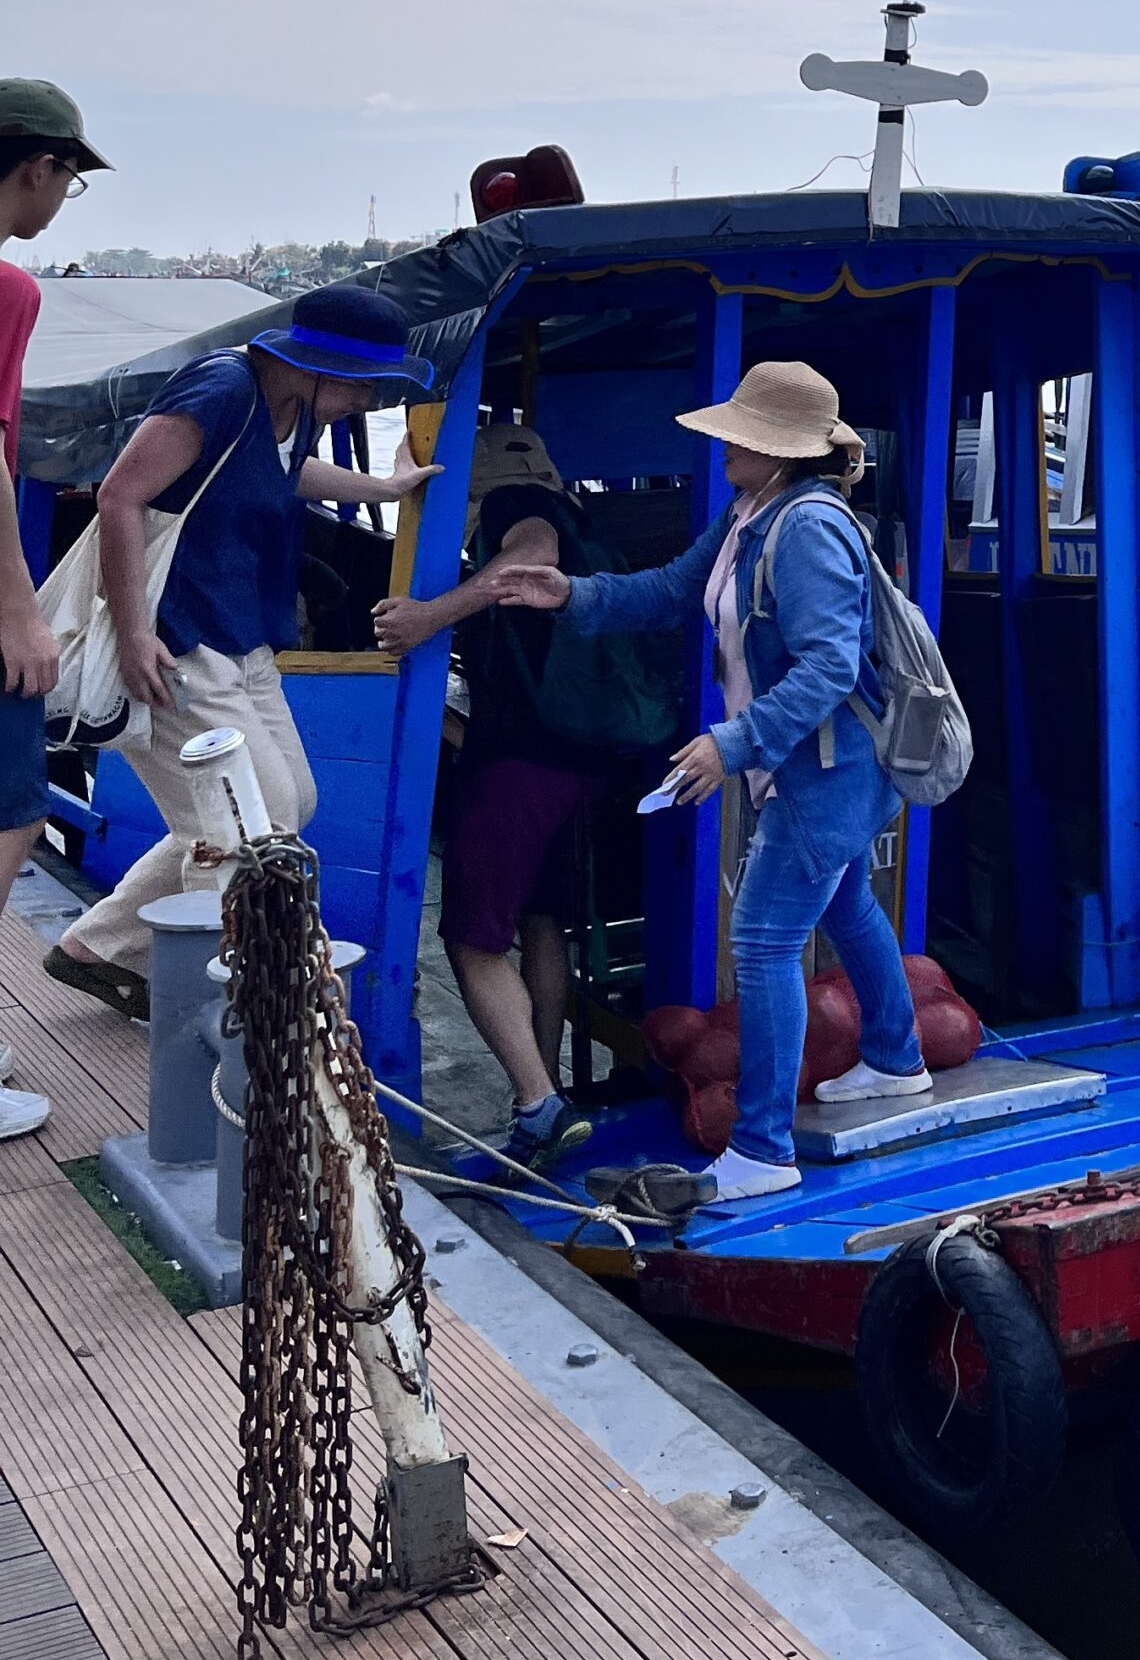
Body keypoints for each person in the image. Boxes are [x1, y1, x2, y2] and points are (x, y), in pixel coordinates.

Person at [485, 359, 923, 1206]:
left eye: (739, 431)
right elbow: (672, 591)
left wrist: (731, 743)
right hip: (807, 765)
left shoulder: (806, 532)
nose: (723, 441)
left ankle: (761, 1148)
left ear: (776, 449)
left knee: (761, 943)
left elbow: (830, 666)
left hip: (823, 771)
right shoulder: (750, 515)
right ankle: (898, 1058)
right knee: (844, 905)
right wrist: (570, 593)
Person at [44, 284, 440, 1018]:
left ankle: (97, 948)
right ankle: (248, 1010)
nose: (365, 401)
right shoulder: (224, 387)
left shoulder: (291, 408)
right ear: (321, 365)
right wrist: (135, 635)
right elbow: (119, 496)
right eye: (362, 385)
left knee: (291, 800)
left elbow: (287, 474)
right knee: (247, 827)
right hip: (178, 639)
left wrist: (382, 484)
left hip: (241, 636)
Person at [372, 424, 598, 1168]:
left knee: (471, 939)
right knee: (542, 925)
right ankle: (545, 1093)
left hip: (518, 768)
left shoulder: (514, 507)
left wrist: (429, 616)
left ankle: (536, 1101)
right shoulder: (583, 517)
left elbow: (533, 552)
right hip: (575, 756)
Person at [0, 80, 112, 1137]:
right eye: (69, 180)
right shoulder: (8, 290)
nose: (64, 199)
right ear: (35, 167)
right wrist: (22, 611)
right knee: (14, 812)